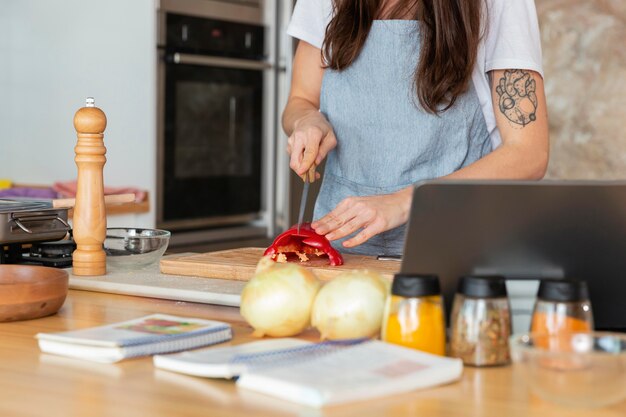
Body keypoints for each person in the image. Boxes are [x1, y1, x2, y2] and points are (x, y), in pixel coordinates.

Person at [283, 0, 549, 256]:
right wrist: (306, 120)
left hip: (455, 248)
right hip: (340, 249)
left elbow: (528, 153)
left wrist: (406, 201)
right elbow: (301, 99)